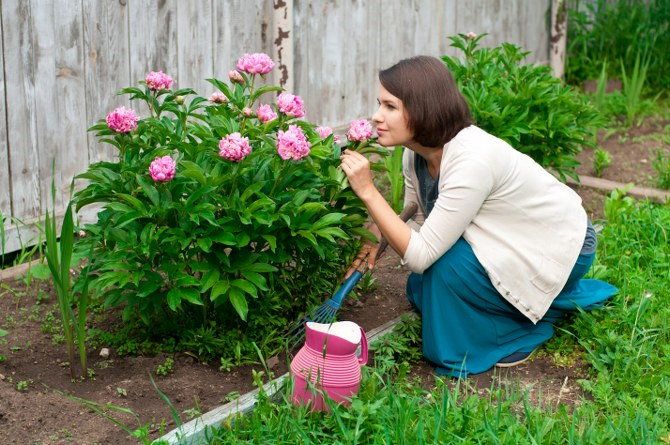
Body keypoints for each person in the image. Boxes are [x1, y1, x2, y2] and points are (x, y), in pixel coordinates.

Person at [339, 55, 617, 377]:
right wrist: (378, 233)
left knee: (443, 269)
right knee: (422, 288)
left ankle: (523, 329)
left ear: (421, 108)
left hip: (561, 247)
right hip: (511, 240)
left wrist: (369, 192)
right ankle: (527, 306)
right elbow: (416, 215)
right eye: (379, 105)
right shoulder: (415, 155)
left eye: (389, 106)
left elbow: (420, 254)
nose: (376, 117)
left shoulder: (472, 158)